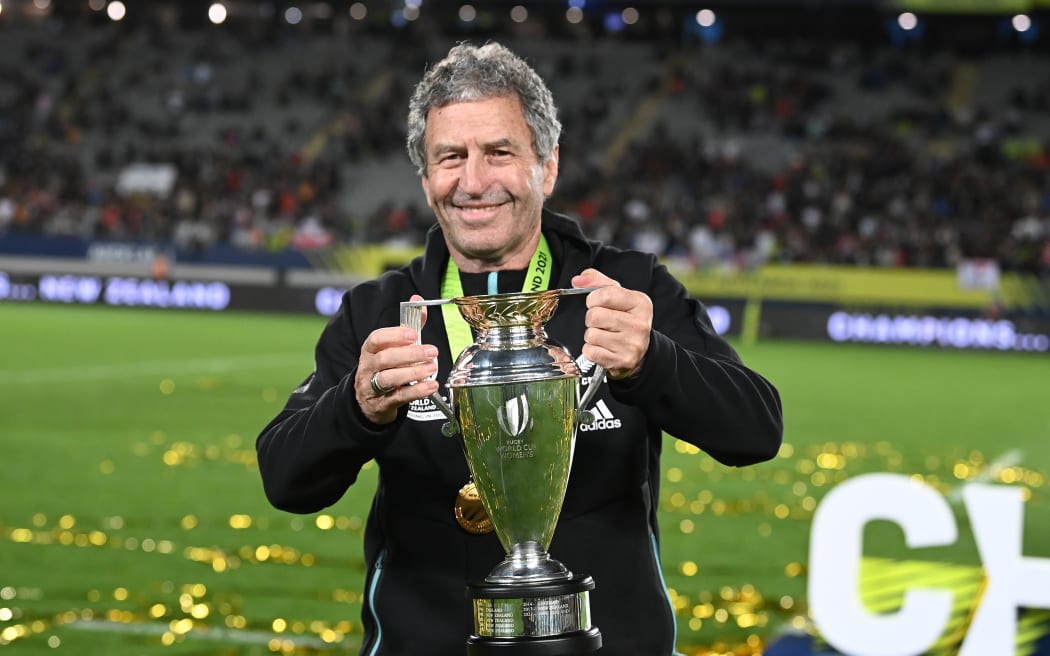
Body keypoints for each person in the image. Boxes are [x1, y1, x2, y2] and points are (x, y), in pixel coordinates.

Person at [256, 42, 783, 656]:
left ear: (547, 166)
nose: (473, 182)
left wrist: (652, 361)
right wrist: (356, 407)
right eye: (449, 157)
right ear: (426, 179)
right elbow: (284, 479)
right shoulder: (383, 311)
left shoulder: (624, 289)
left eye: (499, 153)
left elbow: (756, 430)